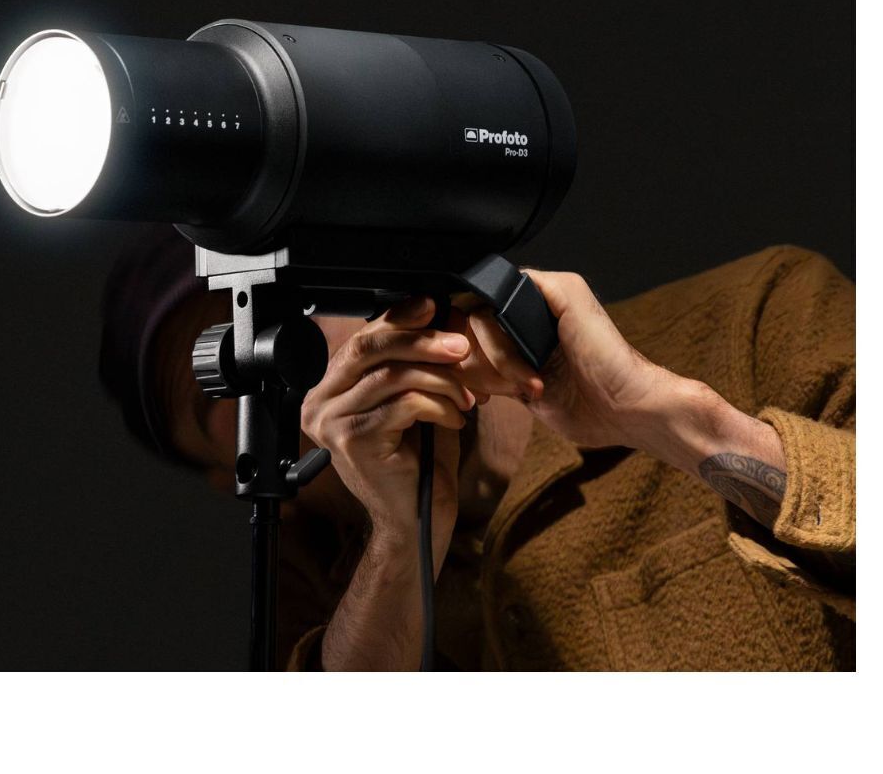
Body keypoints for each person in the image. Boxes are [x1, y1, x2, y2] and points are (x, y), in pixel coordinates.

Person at [101, 233, 855, 670]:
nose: (292, 361)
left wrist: (678, 425)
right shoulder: (308, 607)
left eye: (290, 306)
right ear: (231, 471)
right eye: (226, 374)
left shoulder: (755, 314)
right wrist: (399, 544)